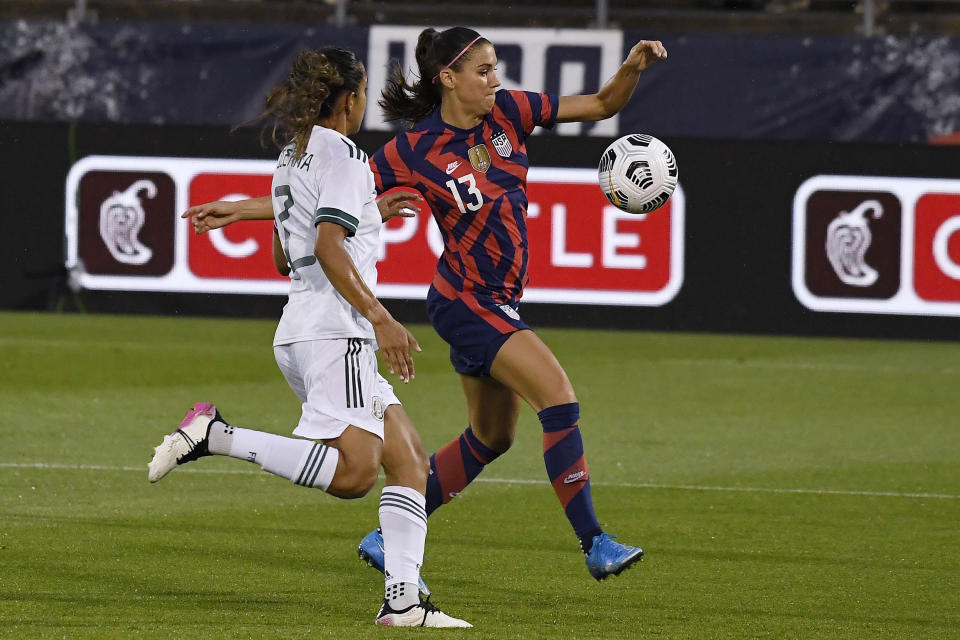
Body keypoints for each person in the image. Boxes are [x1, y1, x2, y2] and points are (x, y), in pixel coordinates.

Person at [184, 27, 667, 584]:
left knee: (492, 437)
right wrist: (240, 210)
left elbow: (603, 103)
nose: (495, 80)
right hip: (466, 300)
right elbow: (327, 197)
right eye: (483, 71)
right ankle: (595, 542)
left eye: (495, 69)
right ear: (448, 79)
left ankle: (388, 535)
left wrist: (632, 67)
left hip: (497, 299)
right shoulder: (413, 151)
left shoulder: (511, 111)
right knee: (558, 399)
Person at [149, 47, 470, 628]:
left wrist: (368, 211)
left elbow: (283, 252)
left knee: (410, 461)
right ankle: (215, 435)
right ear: (349, 97)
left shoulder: (294, 155)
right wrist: (380, 316)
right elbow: (326, 245)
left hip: (301, 329)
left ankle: (402, 602)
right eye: (365, 89)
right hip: (336, 331)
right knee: (354, 474)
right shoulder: (346, 157)